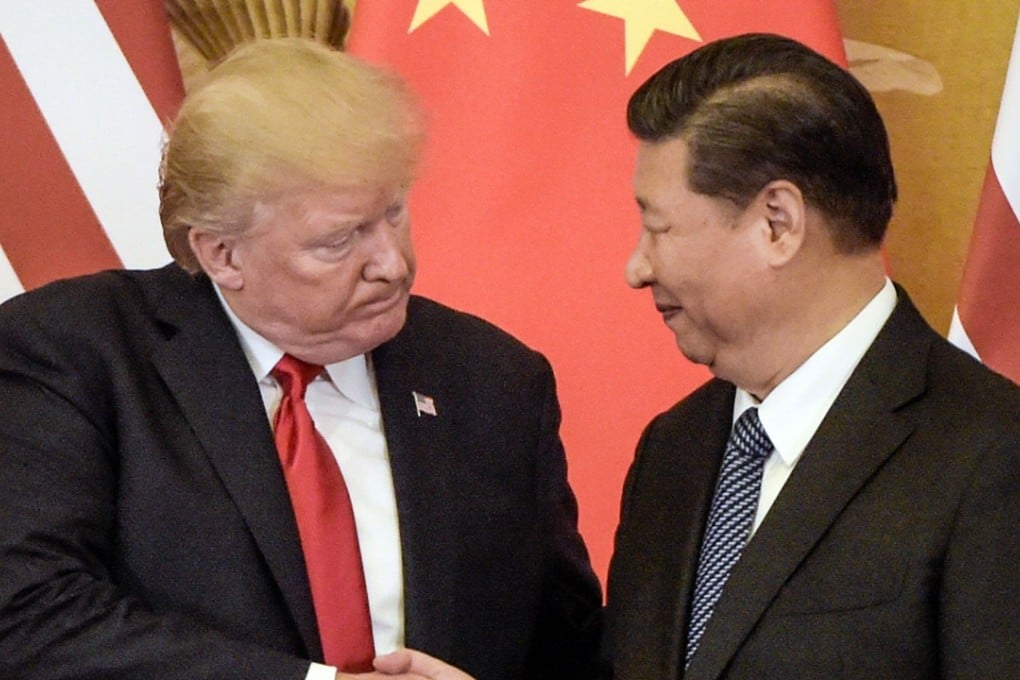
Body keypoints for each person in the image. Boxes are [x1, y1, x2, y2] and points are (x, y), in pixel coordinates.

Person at [0, 38, 601, 680]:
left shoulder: (493, 380)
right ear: (222, 255)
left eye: (394, 213)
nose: (392, 263)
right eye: (340, 240)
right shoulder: (78, 354)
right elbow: (28, 614)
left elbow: (568, 652)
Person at [604, 33, 1019, 679]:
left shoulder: (992, 453)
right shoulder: (672, 448)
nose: (637, 268)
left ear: (778, 222)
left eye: (658, 229)